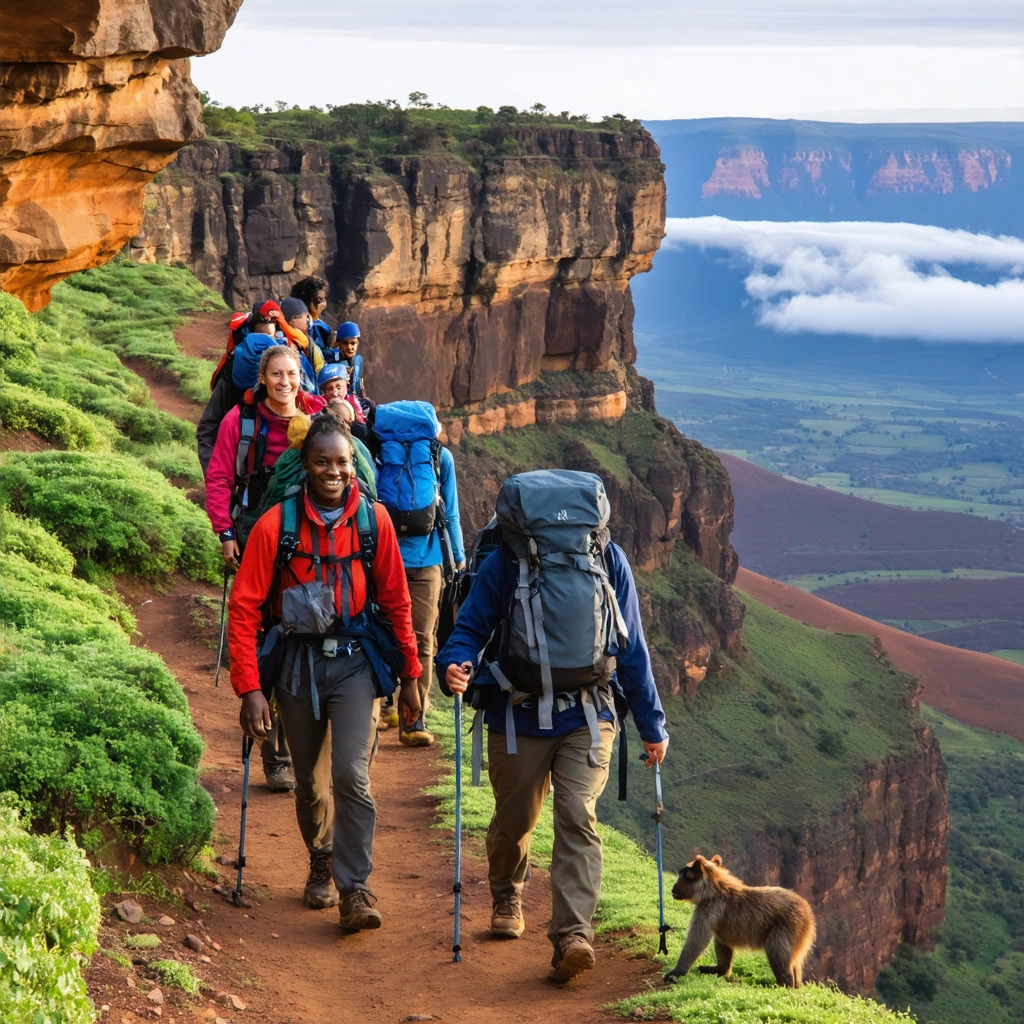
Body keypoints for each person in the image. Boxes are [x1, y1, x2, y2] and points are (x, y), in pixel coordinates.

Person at [437, 470, 668, 982]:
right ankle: (506, 892)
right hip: (518, 715)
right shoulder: (508, 560)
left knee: (575, 813)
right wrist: (453, 663)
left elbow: (629, 646)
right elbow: (470, 628)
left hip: (588, 715)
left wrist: (652, 723)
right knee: (515, 820)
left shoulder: (605, 558)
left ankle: (573, 936)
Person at [227, 411, 422, 928]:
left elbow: (397, 602)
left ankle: (356, 888)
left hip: (356, 663)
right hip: (297, 667)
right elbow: (245, 607)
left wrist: (410, 678)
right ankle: (321, 858)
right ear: (305, 464)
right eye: (322, 462)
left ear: (354, 465)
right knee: (311, 786)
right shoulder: (277, 524)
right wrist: (249, 688)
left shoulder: (373, 520)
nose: (332, 471)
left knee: (351, 776)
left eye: (341, 461)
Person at [206, 346, 326, 793]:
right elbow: (219, 477)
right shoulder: (241, 422)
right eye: (276, 374)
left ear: (301, 377)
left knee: (304, 632)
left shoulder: (316, 415)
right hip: (258, 542)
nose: (285, 382)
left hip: (307, 547)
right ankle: (276, 757)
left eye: (292, 374)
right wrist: (225, 533)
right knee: (265, 641)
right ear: (262, 377)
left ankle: (309, 747)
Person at [373, 401, 465, 746]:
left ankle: (386, 708)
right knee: (424, 639)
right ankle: (414, 720)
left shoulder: (377, 451)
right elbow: (450, 512)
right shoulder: (440, 457)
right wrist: (458, 559)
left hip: (382, 557)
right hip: (427, 563)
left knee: (384, 632)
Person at [197, 300, 279, 475]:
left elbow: (207, 426)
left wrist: (214, 475)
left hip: (237, 469)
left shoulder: (233, 363)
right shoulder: (287, 362)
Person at [290, 275, 331, 352]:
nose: (323, 303)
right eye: (319, 299)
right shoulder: (306, 328)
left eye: (324, 299)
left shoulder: (319, 326)